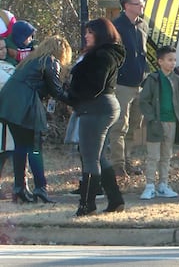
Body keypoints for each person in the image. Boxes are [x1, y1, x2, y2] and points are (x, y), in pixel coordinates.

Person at [0, 36, 72, 204]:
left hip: (9, 105)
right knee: (34, 147)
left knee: (20, 147)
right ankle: (40, 187)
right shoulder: (51, 61)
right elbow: (57, 91)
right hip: (27, 106)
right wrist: (77, 100)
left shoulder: (31, 61)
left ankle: (19, 188)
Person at [67, 17, 127, 216]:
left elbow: (95, 85)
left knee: (90, 157)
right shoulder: (105, 54)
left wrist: (74, 97)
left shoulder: (102, 56)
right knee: (98, 157)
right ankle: (115, 199)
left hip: (97, 107)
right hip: (102, 105)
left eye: (90, 32)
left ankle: (87, 204)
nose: (86, 36)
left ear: (100, 34)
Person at [109, 0, 149, 177]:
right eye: (138, 3)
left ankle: (127, 161)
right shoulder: (116, 27)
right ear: (126, 6)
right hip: (122, 84)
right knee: (120, 126)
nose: (142, 6)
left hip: (139, 83)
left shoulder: (143, 25)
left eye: (142, 3)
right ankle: (117, 164)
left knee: (134, 125)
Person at [139, 45, 179, 200]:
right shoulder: (152, 79)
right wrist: (151, 118)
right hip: (156, 123)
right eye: (169, 60)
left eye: (174, 60)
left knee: (166, 155)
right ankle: (150, 185)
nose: (172, 63)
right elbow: (144, 101)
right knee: (153, 156)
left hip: (172, 122)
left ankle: (163, 185)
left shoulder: (178, 80)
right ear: (160, 61)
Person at [0, 39, 15, 198]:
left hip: (8, 115)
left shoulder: (9, 66)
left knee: (5, 151)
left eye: (4, 48)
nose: (3, 51)